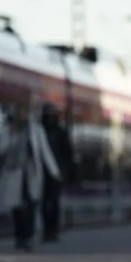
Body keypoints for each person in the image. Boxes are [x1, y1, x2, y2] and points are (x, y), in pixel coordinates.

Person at [0, 101, 61, 252]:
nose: (22, 115)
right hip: (14, 173)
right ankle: (20, 237)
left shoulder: (35, 129)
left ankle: (29, 237)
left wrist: (54, 171)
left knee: (31, 205)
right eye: (20, 112)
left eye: (24, 112)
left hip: (31, 173)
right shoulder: (8, 128)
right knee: (17, 207)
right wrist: (12, 134)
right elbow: (1, 149)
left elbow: (45, 151)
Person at [39, 103, 75, 243]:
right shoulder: (53, 131)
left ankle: (51, 229)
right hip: (48, 172)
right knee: (48, 202)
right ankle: (49, 230)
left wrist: (65, 171)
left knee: (51, 202)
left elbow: (67, 153)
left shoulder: (57, 131)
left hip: (54, 172)